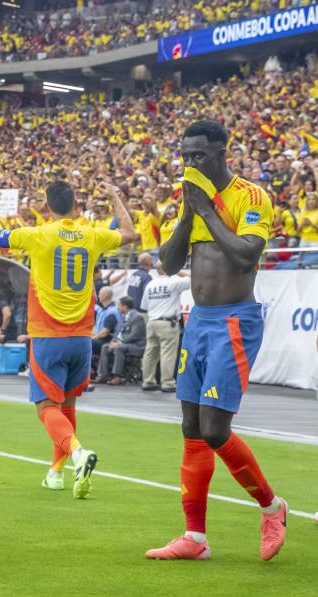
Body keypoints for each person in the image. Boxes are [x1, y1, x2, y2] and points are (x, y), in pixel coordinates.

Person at [147, 119, 287, 562]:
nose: (191, 163)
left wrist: (207, 210)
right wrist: (190, 213)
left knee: (214, 429)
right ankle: (195, 537)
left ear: (222, 154)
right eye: (186, 156)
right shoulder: (190, 200)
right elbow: (170, 264)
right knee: (191, 427)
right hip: (199, 320)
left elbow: (246, 256)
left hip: (234, 320)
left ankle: (272, 507)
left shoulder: (251, 196)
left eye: (200, 155)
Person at [0, 180, 135, 496]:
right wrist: (115, 197)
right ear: (75, 204)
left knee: (46, 407)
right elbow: (129, 233)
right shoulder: (91, 234)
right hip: (82, 338)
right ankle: (57, 473)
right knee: (68, 404)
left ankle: (78, 454)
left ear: (47, 207)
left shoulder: (38, 235)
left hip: (48, 336)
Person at [140, 264, 190, 392]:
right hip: (167, 323)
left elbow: (144, 307)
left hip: (152, 321)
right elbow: (193, 278)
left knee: (150, 353)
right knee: (168, 354)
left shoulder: (150, 284)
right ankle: (167, 383)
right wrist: (177, 271)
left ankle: (148, 381)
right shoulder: (173, 282)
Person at [96, 296, 146, 385]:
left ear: (125, 306)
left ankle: (117, 376)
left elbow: (135, 335)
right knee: (105, 346)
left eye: (119, 305)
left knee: (119, 348)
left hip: (137, 346)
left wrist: (119, 343)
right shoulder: (123, 317)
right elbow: (117, 331)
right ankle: (103, 375)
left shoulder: (137, 317)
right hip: (125, 344)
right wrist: (114, 341)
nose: (117, 307)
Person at [91, 285, 120, 378]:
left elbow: (105, 332)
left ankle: (91, 370)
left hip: (108, 340)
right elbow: (97, 328)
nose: (98, 296)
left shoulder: (112, 312)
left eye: (100, 294)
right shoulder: (102, 310)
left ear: (106, 296)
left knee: (88, 343)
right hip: (101, 338)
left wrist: (94, 337)